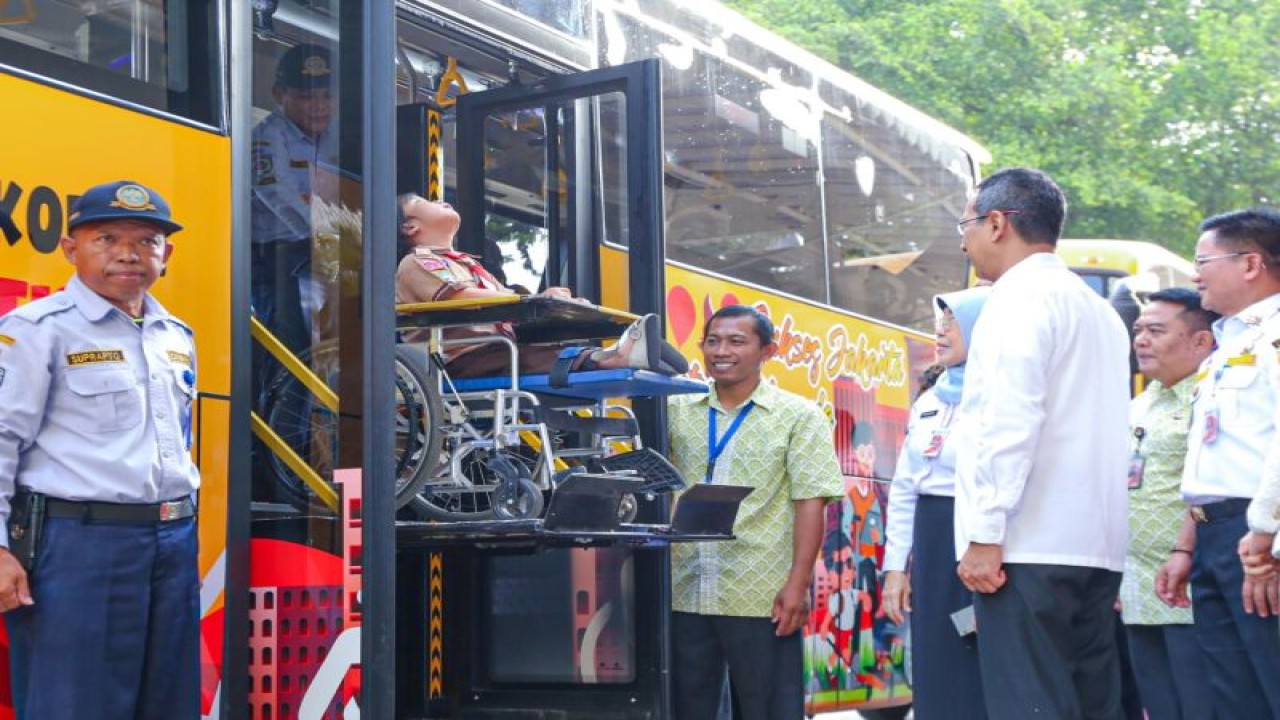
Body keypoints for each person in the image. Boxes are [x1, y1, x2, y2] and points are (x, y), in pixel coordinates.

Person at [0, 181, 200, 718]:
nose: (128, 253)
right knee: (74, 702)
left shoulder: (175, 335)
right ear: (70, 249)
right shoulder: (36, 330)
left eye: (146, 240)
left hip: (172, 539)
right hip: (78, 545)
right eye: (106, 237)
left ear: (167, 254)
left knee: (168, 701)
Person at [953, 167, 1131, 719]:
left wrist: (985, 533)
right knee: (1091, 700)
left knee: (1029, 702)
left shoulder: (1016, 300)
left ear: (999, 223)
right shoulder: (1098, 310)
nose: (964, 238)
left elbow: (1007, 422)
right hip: (1095, 547)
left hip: (1024, 544)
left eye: (967, 223)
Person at [666, 305, 844, 720]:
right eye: (713, 341)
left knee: (768, 709)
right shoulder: (675, 410)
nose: (721, 351)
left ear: (767, 350)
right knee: (685, 707)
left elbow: (811, 501)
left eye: (736, 341)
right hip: (683, 587)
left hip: (759, 593)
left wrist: (798, 584)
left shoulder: (798, 416)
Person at [1161, 208, 1280, 719]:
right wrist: (1188, 545)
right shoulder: (1227, 344)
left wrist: (1267, 536)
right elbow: (1210, 456)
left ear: (1250, 263)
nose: (1195, 274)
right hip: (1217, 536)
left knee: (1269, 682)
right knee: (1233, 695)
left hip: (1256, 536)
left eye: (1203, 260)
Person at [394, 193, 686, 378]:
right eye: (426, 202)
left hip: (495, 351)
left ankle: (622, 354)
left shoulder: (468, 264)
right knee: (534, 357)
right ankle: (615, 357)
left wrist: (555, 306)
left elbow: (504, 303)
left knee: (544, 348)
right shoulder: (418, 262)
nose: (442, 200)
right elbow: (464, 296)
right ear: (410, 227)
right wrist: (535, 299)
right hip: (458, 360)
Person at [881, 287, 990, 720]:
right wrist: (895, 568)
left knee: (978, 654)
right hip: (930, 540)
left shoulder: (1000, 396)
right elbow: (906, 486)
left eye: (952, 323)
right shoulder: (930, 400)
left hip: (979, 537)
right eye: (939, 323)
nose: (940, 334)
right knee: (933, 658)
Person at [1120, 288, 1217, 720]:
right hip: (1138, 586)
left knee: (1202, 705)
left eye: (1156, 331)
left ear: (1200, 340)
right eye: (1139, 329)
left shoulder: (1211, 399)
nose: (1141, 340)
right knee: (1159, 706)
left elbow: (1211, 484)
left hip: (1192, 585)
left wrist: (1184, 549)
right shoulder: (1140, 403)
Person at [251, 41, 338, 353]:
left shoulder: (340, 137)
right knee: (291, 343)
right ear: (279, 96)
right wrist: (325, 232)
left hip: (329, 255)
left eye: (327, 96)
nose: (319, 107)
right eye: (305, 97)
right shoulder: (267, 138)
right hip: (277, 260)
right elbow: (275, 192)